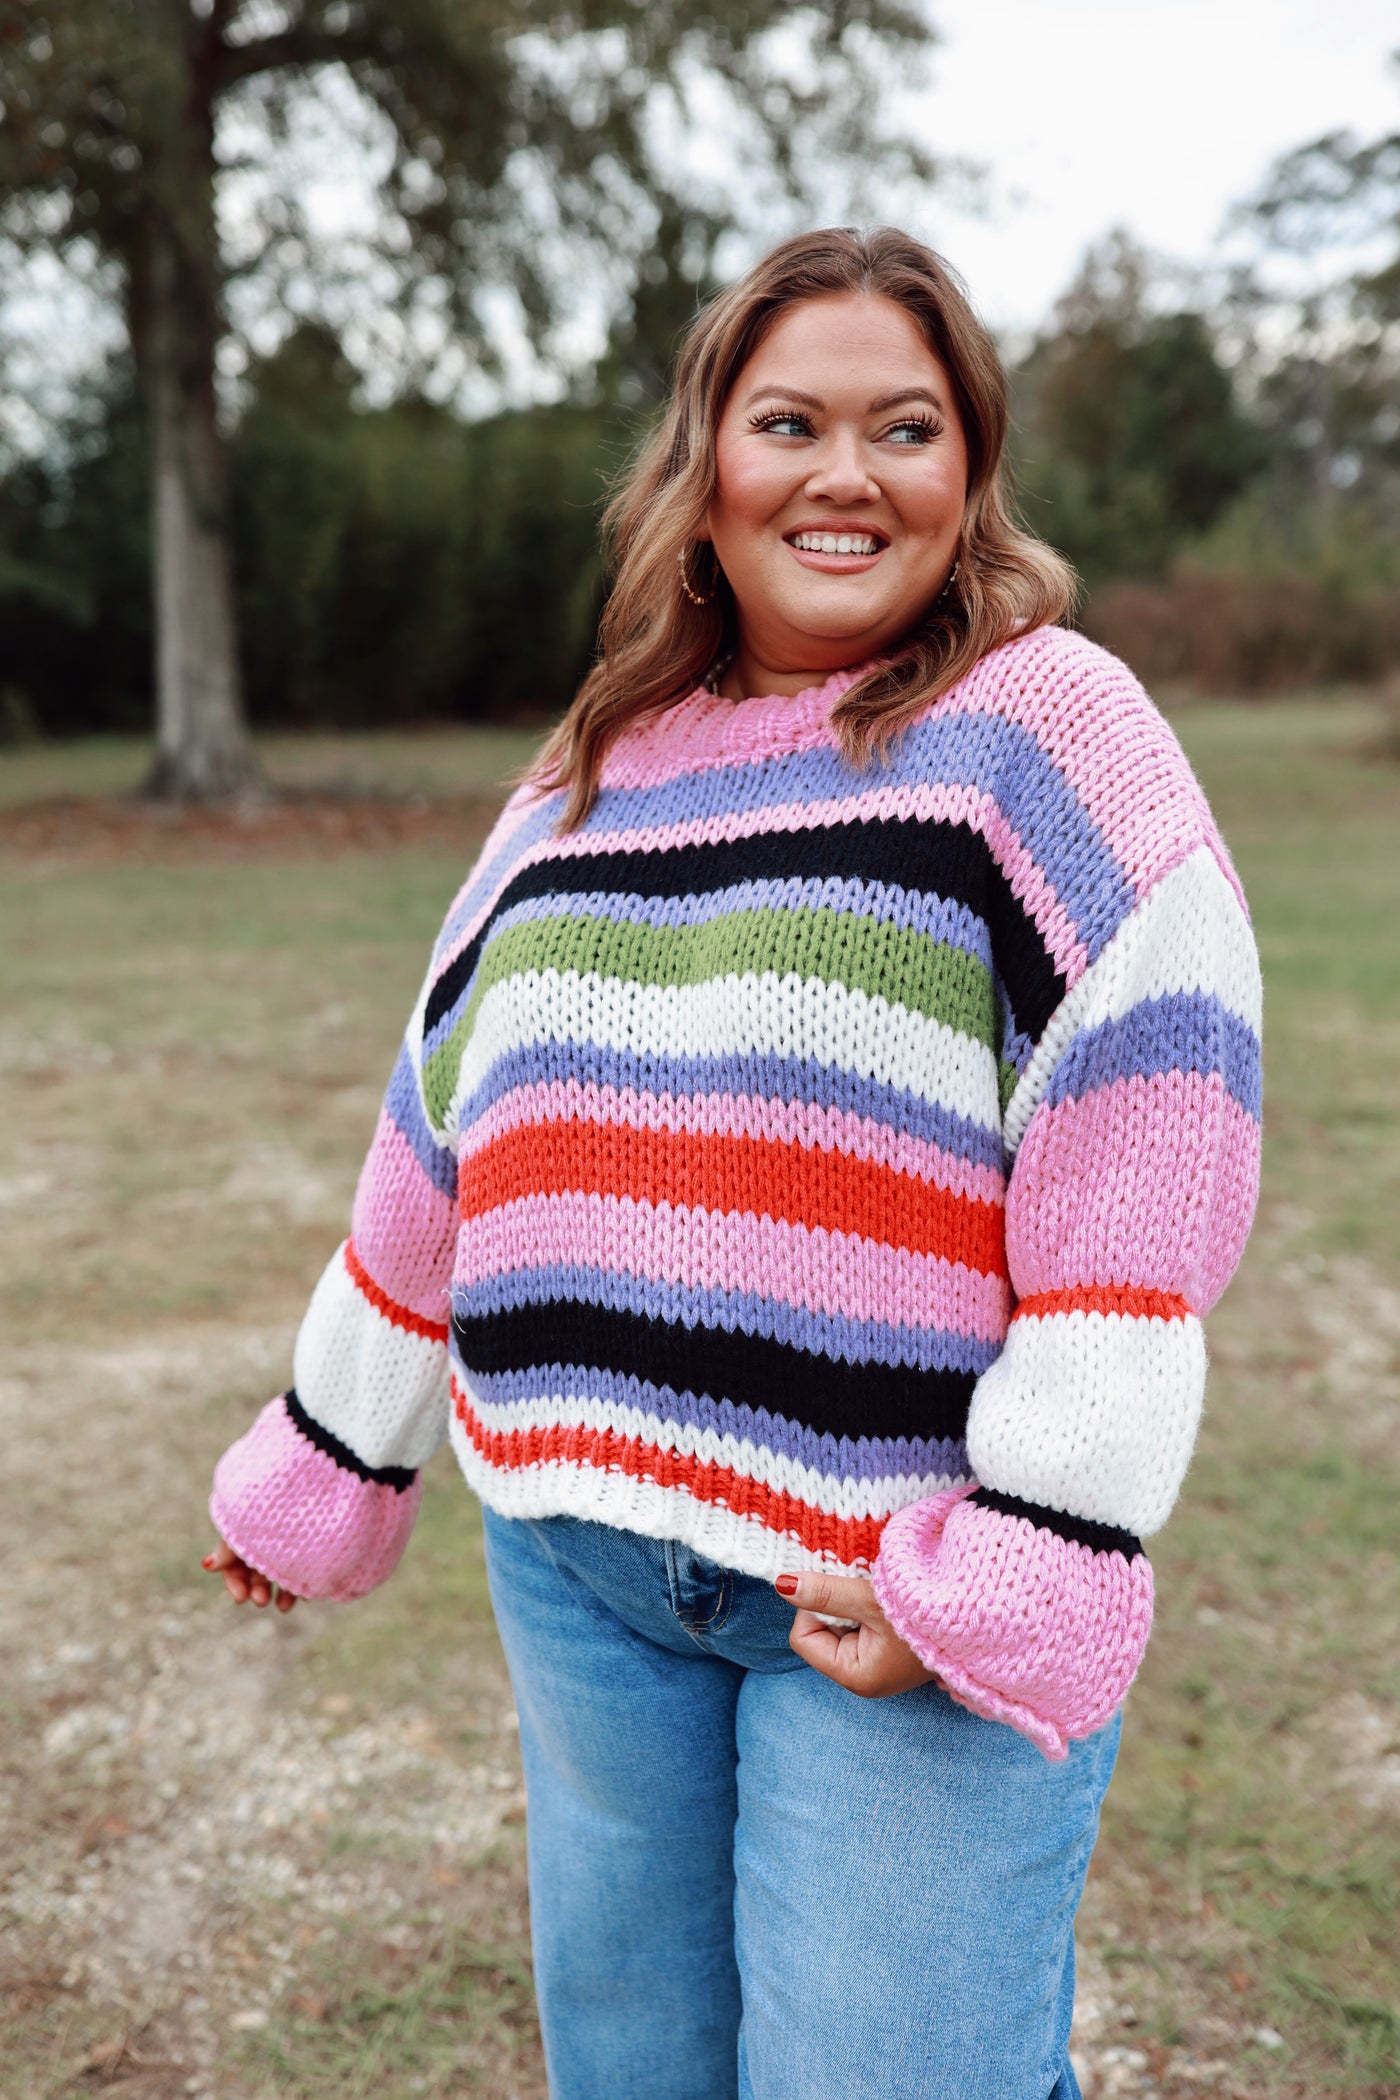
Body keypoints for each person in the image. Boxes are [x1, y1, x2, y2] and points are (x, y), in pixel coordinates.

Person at [204, 226, 1262, 2099]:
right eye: (791, 421)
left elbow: (1144, 1173)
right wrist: (325, 1453)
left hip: (887, 1594)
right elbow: (435, 1126)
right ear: (707, 476)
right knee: (635, 2070)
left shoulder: (1049, 733)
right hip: (578, 1557)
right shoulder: (589, 763)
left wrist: (1021, 1566)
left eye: (905, 426)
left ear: (969, 474)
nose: (846, 473)